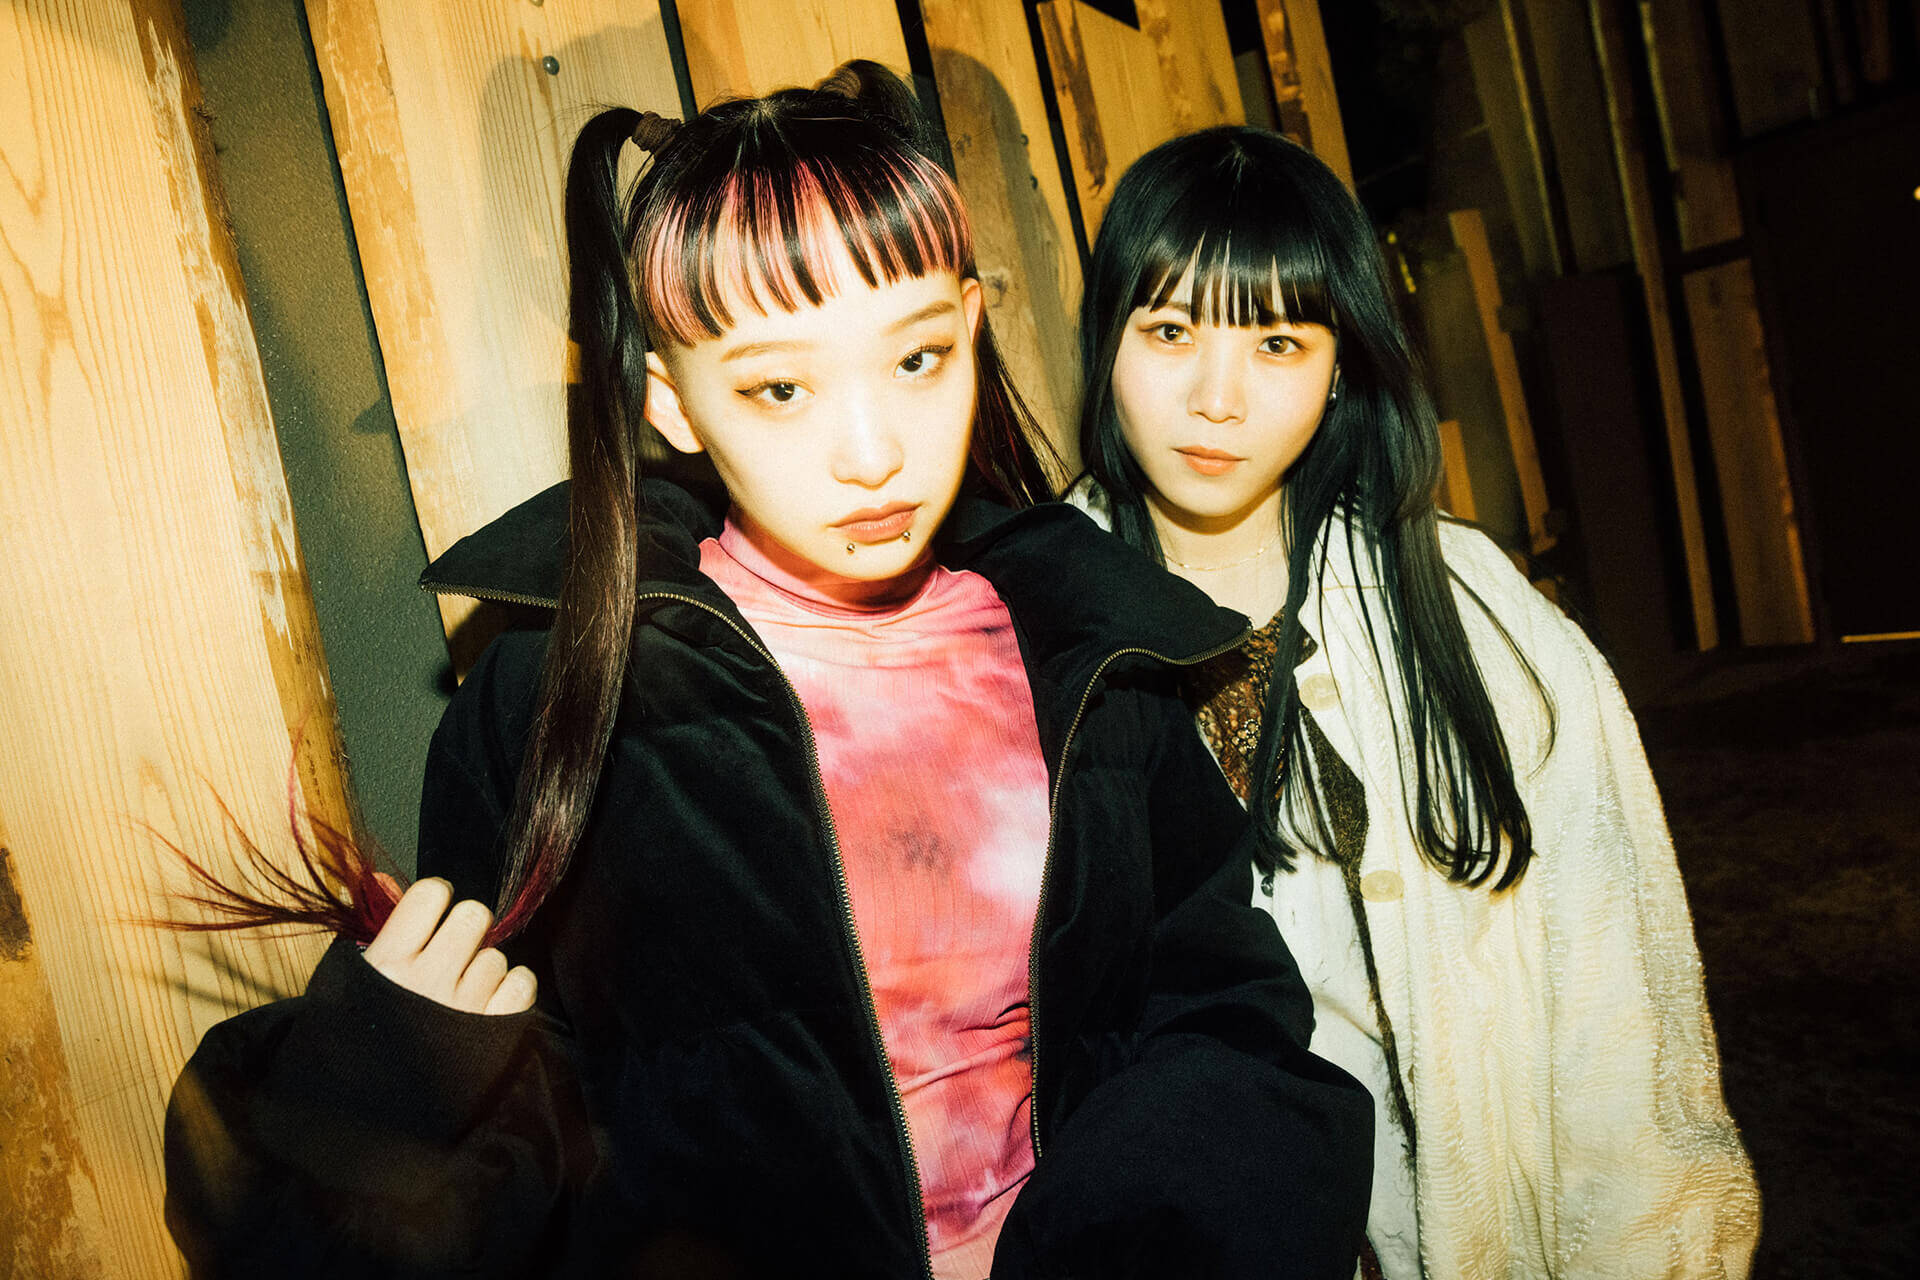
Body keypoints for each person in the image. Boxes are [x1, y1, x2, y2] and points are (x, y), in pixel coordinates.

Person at [162, 70, 1372, 1280]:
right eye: (779, 387)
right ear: (673, 404)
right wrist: (378, 1093)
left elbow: (1225, 1019)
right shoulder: (569, 692)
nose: (872, 452)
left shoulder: (1092, 653)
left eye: (917, 358)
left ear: (969, 325)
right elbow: (519, 1153)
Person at [1070, 126, 1760, 1280]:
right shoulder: (1031, 634)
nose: (1215, 399)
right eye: (1172, 331)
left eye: (1276, 342)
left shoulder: (1471, 606)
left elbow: (1619, 1007)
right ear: (1108, 341)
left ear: (1341, 364)